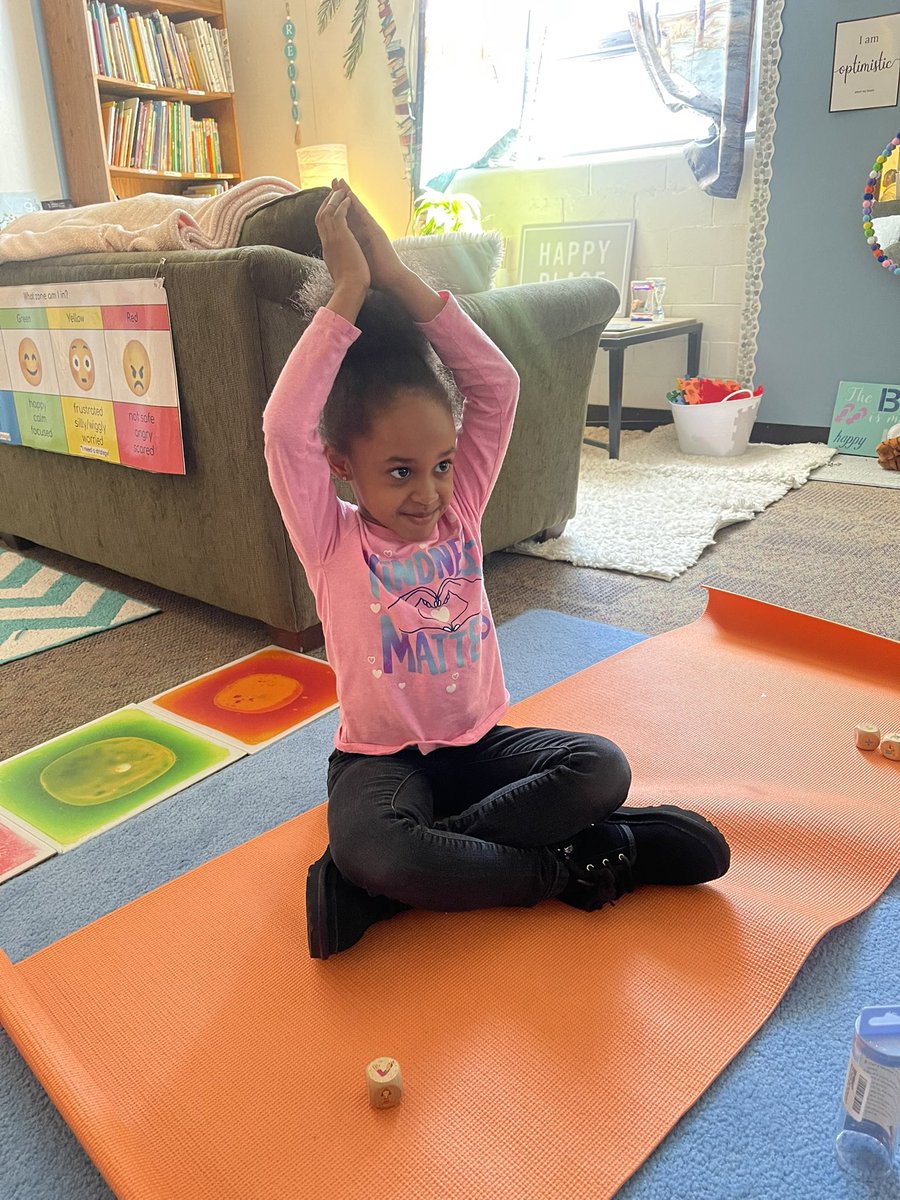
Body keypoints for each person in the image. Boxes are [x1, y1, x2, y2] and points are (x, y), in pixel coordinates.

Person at [263, 181, 730, 960]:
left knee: (599, 768)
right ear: (343, 467)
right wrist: (348, 291)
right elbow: (284, 427)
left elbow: (497, 385)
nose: (429, 492)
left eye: (441, 464)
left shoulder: (462, 510)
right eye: (400, 472)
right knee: (379, 848)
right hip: (379, 765)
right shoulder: (329, 539)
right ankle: (577, 864)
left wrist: (400, 278)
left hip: (478, 751)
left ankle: (401, 885)